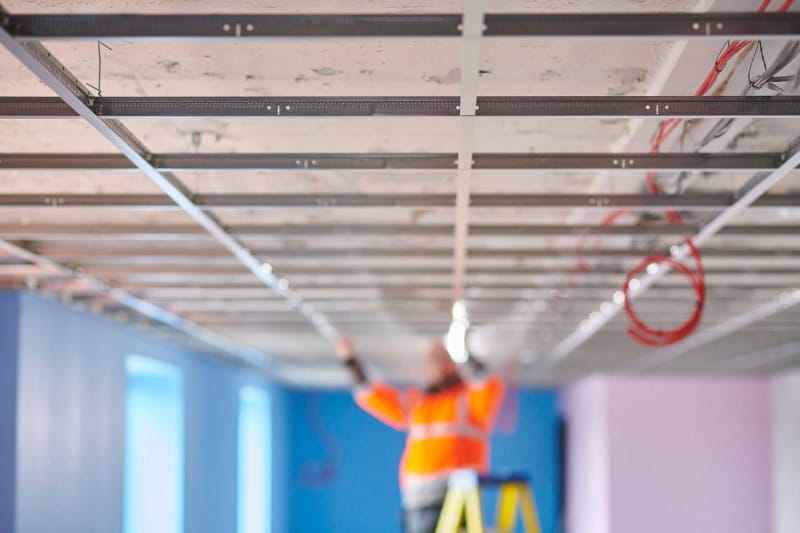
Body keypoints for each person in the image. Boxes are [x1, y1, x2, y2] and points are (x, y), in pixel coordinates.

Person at [335, 336, 505, 533]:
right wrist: (350, 361)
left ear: (455, 363)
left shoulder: (470, 398)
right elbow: (371, 395)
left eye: (444, 358)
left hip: (456, 495)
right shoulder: (418, 402)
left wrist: (464, 353)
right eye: (432, 360)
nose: (437, 364)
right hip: (417, 499)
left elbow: (487, 382)